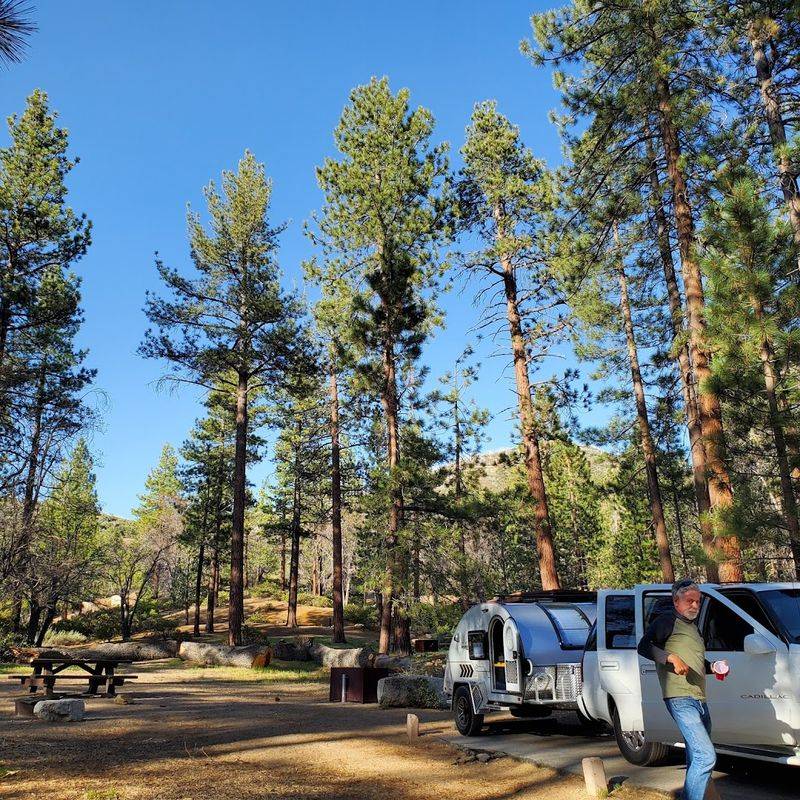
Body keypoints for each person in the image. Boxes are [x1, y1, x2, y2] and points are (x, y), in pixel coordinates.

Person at [637, 579, 729, 800]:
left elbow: (694, 662)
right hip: (680, 698)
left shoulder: (693, 628)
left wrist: (713, 666)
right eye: (690, 601)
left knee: (694, 757)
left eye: (697, 601)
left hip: (699, 699)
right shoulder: (666, 621)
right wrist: (671, 657)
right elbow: (644, 646)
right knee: (706, 756)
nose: (695, 606)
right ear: (676, 601)